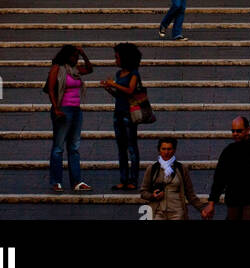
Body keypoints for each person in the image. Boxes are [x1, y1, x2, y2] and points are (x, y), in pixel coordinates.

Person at [202, 115, 250, 221]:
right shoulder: (229, 151)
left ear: (248, 130)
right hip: (233, 200)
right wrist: (211, 203)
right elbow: (219, 179)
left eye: (239, 131)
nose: (235, 134)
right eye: (233, 131)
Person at [45, 43, 93, 192]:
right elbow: (51, 90)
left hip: (76, 110)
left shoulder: (75, 70)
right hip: (63, 110)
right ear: (66, 56)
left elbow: (90, 69)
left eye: (77, 57)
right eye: (73, 56)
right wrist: (57, 109)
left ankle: (76, 181)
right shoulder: (57, 69)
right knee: (58, 147)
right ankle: (56, 182)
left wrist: (83, 53)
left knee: (74, 147)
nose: (76, 59)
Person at [101, 42, 143, 191]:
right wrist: (109, 89)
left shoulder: (134, 74)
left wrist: (114, 84)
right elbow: (120, 94)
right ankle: (123, 179)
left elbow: (130, 90)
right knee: (121, 148)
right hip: (118, 113)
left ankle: (133, 180)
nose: (115, 60)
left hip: (129, 114)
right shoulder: (119, 74)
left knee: (132, 147)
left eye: (117, 57)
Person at [140, 137, 207, 220]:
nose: (166, 152)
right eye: (163, 149)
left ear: (174, 150)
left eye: (169, 149)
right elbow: (143, 192)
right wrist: (153, 196)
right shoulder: (152, 169)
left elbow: (190, 194)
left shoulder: (181, 169)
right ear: (159, 150)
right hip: (157, 211)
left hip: (177, 211)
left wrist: (202, 209)